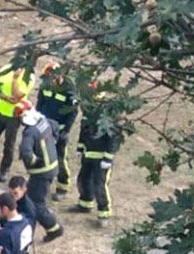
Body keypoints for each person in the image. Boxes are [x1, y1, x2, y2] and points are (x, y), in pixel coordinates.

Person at [75, 92, 122, 227]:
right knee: (83, 180)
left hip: (101, 158)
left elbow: (113, 139)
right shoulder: (87, 116)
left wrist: (108, 158)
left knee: (99, 185)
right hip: (88, 154)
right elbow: (83, 132)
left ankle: (104, 212)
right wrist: (80, 148)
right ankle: (85, 203)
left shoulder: (108, 118)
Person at [19, 108, 65, 242]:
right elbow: (55, 126)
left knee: (36, 203)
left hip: (41, 173)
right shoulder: (43, 121)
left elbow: (26, 152)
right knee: (29, 196)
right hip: (52, 167)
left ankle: (54, 229)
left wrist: (34, 162)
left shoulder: (29, 132)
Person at [35, 62, 80, 200]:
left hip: (60, 130)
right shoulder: (45, 86)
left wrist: (66, 131)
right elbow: (39, 104)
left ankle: (62, 186)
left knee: (60, 159)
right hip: (44, 127)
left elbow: (73, 113)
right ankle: (41, 183)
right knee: (41, 156)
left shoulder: (69, 89)